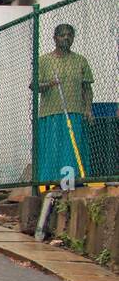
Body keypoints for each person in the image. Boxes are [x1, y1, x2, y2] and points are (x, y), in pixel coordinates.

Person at [32, 22, 93, 185]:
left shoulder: (80, 60)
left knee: (72, 149)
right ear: (54, 38)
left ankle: (74, 182)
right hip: (50, 114)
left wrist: (88, 109)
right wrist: (49, 84)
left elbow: (87, 88)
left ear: (73, 38)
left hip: (75, 111)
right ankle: (49, 182)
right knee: (52, 149)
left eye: (69, 35)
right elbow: (34, 85)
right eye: (62, 35)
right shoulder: (44, 60)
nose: (66, 38)